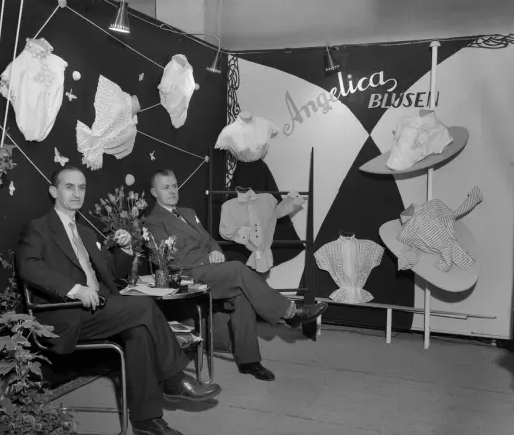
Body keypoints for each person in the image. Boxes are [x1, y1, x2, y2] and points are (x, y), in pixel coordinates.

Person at [17, 166, 221, 435]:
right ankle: (174, 379)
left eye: (81, 187)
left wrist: (125, 250)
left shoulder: (85, 233)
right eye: (69, 187)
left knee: (139, 331)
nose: (77, 193)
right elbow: (29, 267)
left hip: (98, 308)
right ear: (54, 191)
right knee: (144, 306)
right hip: (66, 312)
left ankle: (146, 421)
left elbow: (112, 274)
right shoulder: (39, 228)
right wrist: (76, 290)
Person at [146, 169, 329, 382]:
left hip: (208, 271)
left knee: (242, 294)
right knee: (238, 269)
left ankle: (249, 361)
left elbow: (209, 240)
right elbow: (169, 258)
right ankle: (290, 312)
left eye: (174, 186)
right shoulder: (152, 221)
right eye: (165, 188)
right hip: (185, 276)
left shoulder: (188, 212)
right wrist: (206, 258)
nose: (172, 191)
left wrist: (216, 251)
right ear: (154, 192)